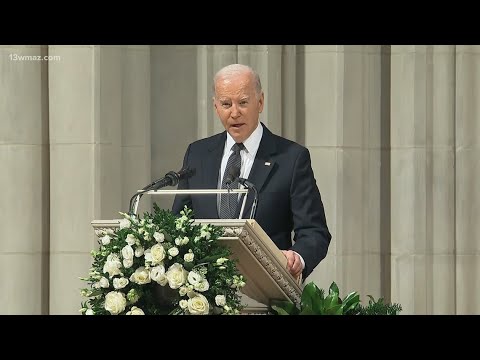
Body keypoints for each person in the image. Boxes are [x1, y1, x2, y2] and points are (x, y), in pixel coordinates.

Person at [172, 63, 331, 280]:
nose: (234, 113)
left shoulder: (291, 158)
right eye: (226, 104)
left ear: (260, 102)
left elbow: (315, 232)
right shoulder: (197, 154)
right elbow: (178, 223)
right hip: (205, 291)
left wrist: (298, 257)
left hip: (266, 290)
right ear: (215, 106)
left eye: (243, 102)